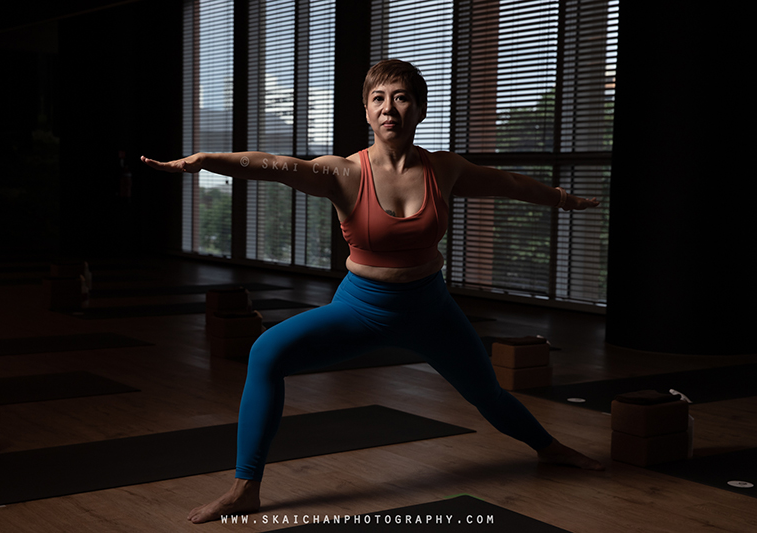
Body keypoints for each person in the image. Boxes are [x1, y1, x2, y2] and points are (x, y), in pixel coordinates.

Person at [142, 59, 603, 525]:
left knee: (488, 395)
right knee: (266, 354)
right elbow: (275, 166)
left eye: (401, 97)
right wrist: (205, 161)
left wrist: (564, 200)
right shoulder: (343, 173)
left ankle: (551, 449)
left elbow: (509, 183)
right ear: (365, 111)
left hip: (431, 310)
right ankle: (245, 488)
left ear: (419, 109)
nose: (390, 109)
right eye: (379, 99)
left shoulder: (444, 170)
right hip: (361, 309)